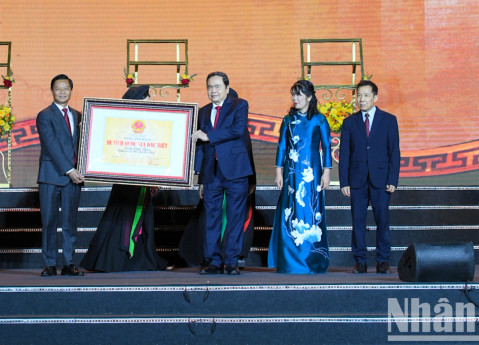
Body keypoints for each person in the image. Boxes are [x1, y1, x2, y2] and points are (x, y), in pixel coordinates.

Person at [80, 85, 167, 272]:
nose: (150, 100)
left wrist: (157, 176)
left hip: (144, 177)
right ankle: (113, 260)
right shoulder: (121, 123)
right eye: (146, 97)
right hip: (126, 177)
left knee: (142, 217)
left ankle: (140, 259)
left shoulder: (152, 124)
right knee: (122, 215)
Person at [178, 88, 256, 269]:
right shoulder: (206, 113)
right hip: (212, 175)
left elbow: (247, 153)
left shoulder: (238, 124)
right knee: (211, 219)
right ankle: (212, 260)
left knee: (235, 218)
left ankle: (231, 260)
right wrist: (200, 177)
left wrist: (252, 180)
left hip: (235, 176)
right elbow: (201, 147)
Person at [268, 79, 331, 274]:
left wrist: (327, 172)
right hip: (291, 173)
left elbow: (327, 147)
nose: (295, 98)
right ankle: (289, 261)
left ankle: (311, 260)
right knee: (290, 210)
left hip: (312, 173)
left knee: (310, 211)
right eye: (293, 94)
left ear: (310, 97)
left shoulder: (319, 120)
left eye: (299, 94)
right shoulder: (288, 119)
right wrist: (279, 170)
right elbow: (282, 147)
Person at [339, 79, 401, 274]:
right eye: (359, 95)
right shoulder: (349, 122)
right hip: (357, 181)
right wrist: (344, 181)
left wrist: (392, 179)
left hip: (381, 181)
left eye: (366, 95)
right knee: (357, 222)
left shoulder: (389, 120)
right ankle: (361, 261)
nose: (361, 99)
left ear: (375, 97)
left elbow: (395, 152)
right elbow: (345, 154)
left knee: (382, 221)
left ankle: (383, 260)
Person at [37, 74, 84, 277]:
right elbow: (52, 146)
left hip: (73, 178)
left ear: (71, 91)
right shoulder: (44, 115)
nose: (62, 91)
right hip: (51, 175)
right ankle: (49, 264)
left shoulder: (79, 115)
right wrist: (70, 170)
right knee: (49, 222)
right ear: (52, 91)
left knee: (69, 222)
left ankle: (69, 263)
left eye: (66, 88)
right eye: (58, 88)